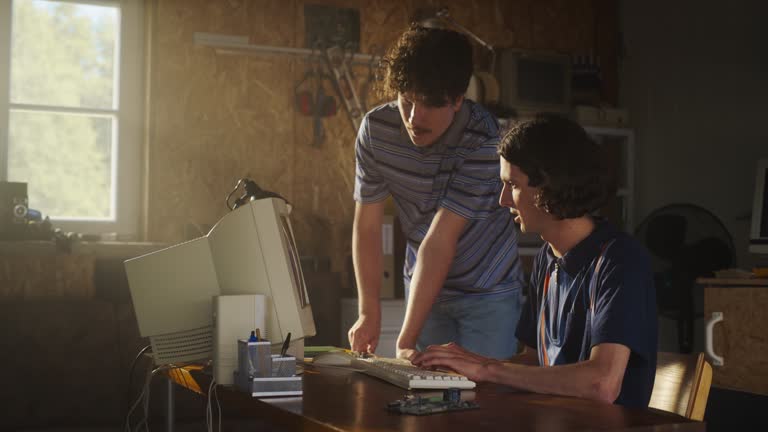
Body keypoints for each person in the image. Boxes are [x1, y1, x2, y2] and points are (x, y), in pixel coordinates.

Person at [412, 116, 658, 408]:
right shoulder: (547, 257)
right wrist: (468, 370)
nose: (503, 200)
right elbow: (532, 363)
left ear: (548, 186)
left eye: (512, 185)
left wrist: (489, 369)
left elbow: (601, 383)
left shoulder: (620, 260)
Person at [348, 24, 525, 360]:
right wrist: (368, 311)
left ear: (458, 99)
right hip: (424, 289)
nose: (415, 117)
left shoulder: (484, 138)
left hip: (487, 292)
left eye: (429, 103)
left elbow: (440, 241)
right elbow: (367, 227)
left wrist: (404, 340)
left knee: (485, 403)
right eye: (407, 100)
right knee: (428, 400)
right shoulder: (376, 131)